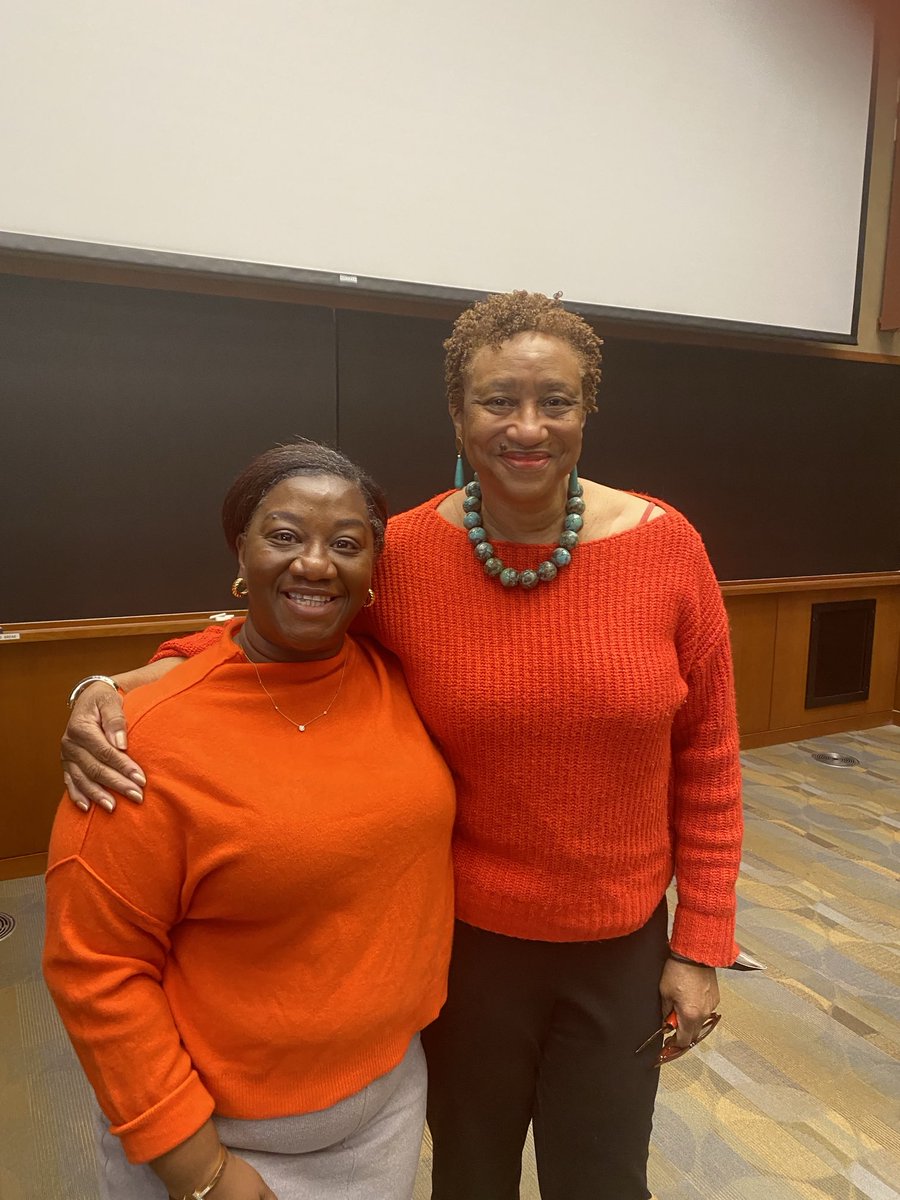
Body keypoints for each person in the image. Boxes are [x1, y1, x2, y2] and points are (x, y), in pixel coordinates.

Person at [61, 291, 744, 1200]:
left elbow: (709, 757)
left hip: (620, 946)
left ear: (589, 411)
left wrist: (701, 943)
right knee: (469, 1175)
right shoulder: (409, 554)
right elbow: (286, 618)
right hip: (461, 949)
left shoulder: (669, 549)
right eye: (499, 400)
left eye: (556, 401)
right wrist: (106, 688)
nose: (527, 427)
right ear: (457, 413)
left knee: (605, 1178)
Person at [44, 442, 456, 1200]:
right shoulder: (142, 741)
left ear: (372, 573)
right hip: (215, 1146)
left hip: (386, 1113)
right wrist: (198, 1171)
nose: (315, 564)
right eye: (285, 535)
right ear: (242, 550)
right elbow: (95, 970)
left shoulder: (394, 678)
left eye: (346, 544)